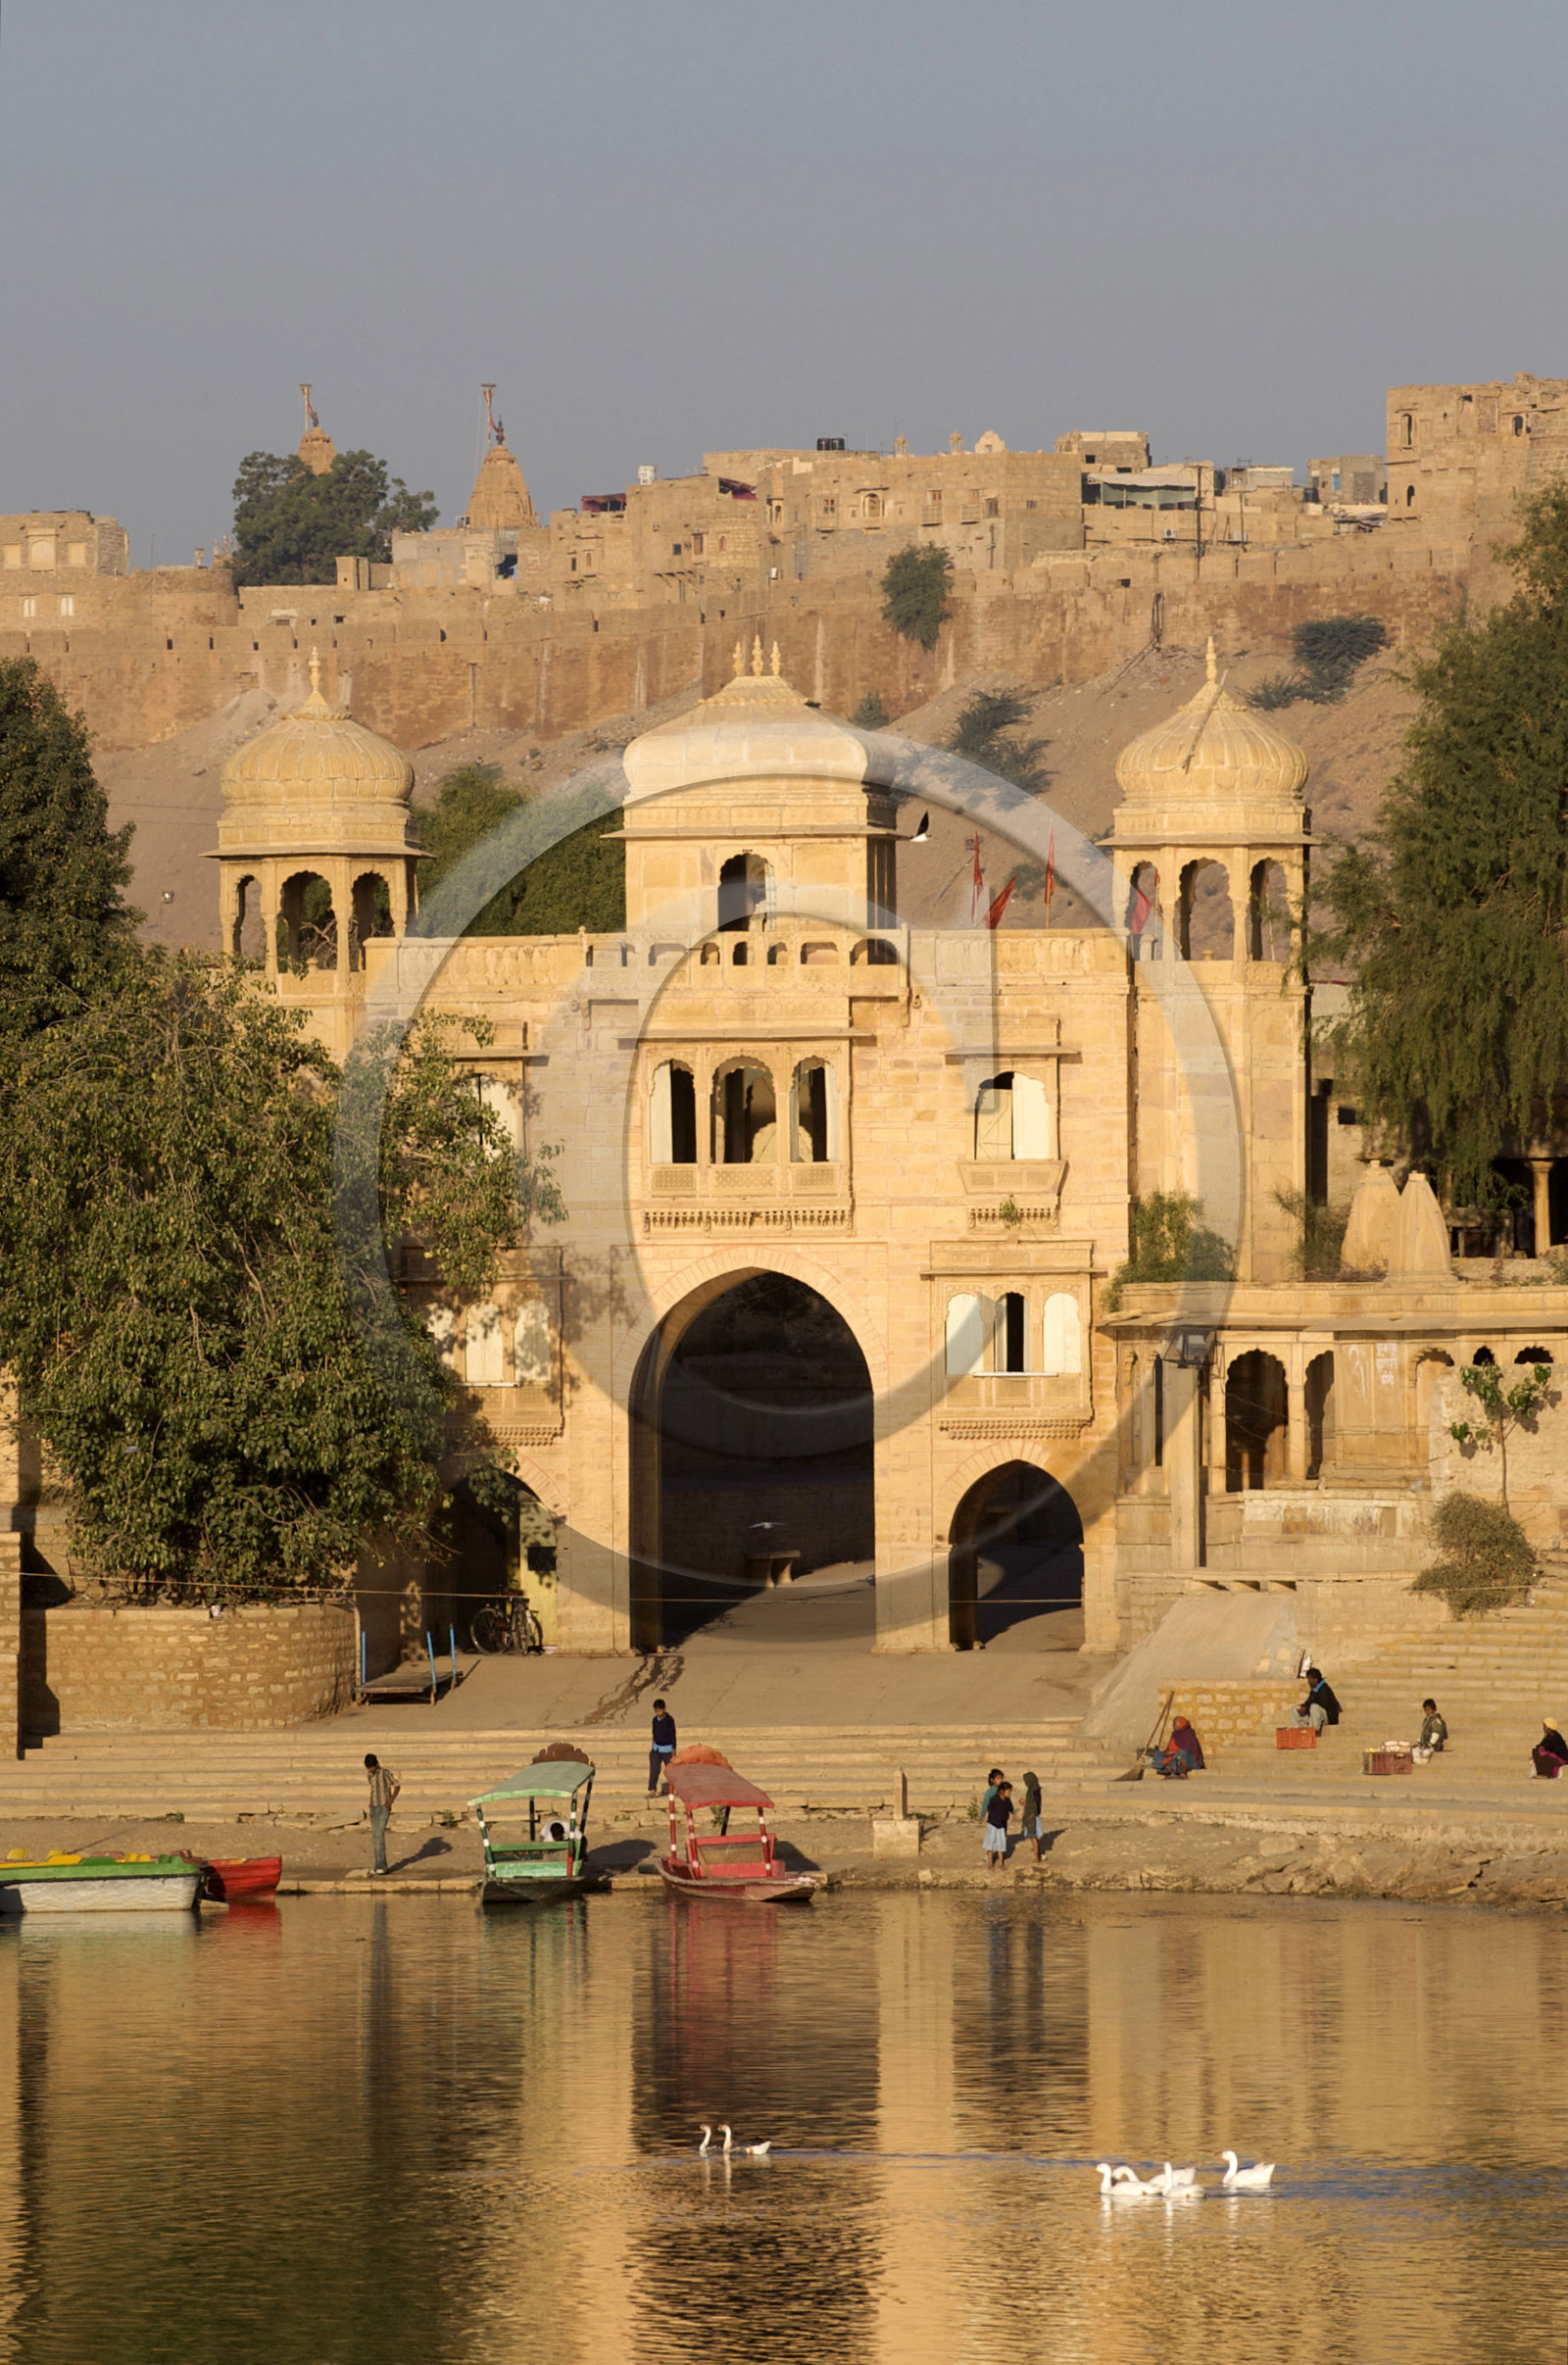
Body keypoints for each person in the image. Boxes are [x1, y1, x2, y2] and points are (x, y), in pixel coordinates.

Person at [364, 1752, 399, 1876]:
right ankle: (378, 1865)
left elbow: (397, 1786)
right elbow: (373, 1789)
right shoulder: (369, 1775)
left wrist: (390, 1802)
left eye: (372, 1767)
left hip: (384, 1807)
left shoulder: (385, 1773)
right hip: (374, 1807)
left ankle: (382, 1866)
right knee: (375, 1837)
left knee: (379, 1835)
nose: (371, 1770)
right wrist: (370, 1802)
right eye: (369, 1768)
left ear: (376, 1764)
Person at [1293, 1667, 1342, 1735]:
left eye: (1309, 1679)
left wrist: (1307, 1708)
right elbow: (1309, 1702)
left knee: (1314, 1707)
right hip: (1314, 1716)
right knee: (1295, 1709)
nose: (1308, 1682)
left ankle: (1314, 1731)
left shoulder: (1324, 1689)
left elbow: (1324, 1703)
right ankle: (1298, 1731)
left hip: (1327, 1717)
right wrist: (1303, 1707)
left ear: (1315, 1679)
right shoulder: (1314, 1690)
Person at [983, 1779, 1014, 1870]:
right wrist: (997, 1818)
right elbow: (990, 1810)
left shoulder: (1007, 1801)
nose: (1009, 1794)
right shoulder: (994, 1799)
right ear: (1002, 1791)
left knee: (1001, 1844)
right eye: (1008, 1792)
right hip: (993, 1824)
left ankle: (1001, 1863)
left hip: (1002, 1826)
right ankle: (990, 1863)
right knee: (991, 1844)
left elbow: (1009, 1810)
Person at [649, 1699, 677, 1796]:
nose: (658, 1713)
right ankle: (653, 1790)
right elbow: (654, 1733)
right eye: (656, 1711)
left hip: (667, 1749)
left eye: (659, 1710)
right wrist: (653, 1747)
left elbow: (673, 1735)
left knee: (671, 1771)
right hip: (656, 1749)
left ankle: (676, 1789)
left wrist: (673, 1749)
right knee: (654, 1770)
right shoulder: (654, 1720)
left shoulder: (669, 1720)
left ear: (664, 1709)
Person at [1018, 1770, 1044, 1861]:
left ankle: (1036, 1857)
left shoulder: (1033, 1792)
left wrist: (1025, 1805)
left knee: (1033, 1838)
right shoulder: (1033, 1791)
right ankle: (1037, 1853)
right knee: (1033, 1837)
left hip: (1032, 1817)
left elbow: (1033, 1805)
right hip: (1033, 1816)